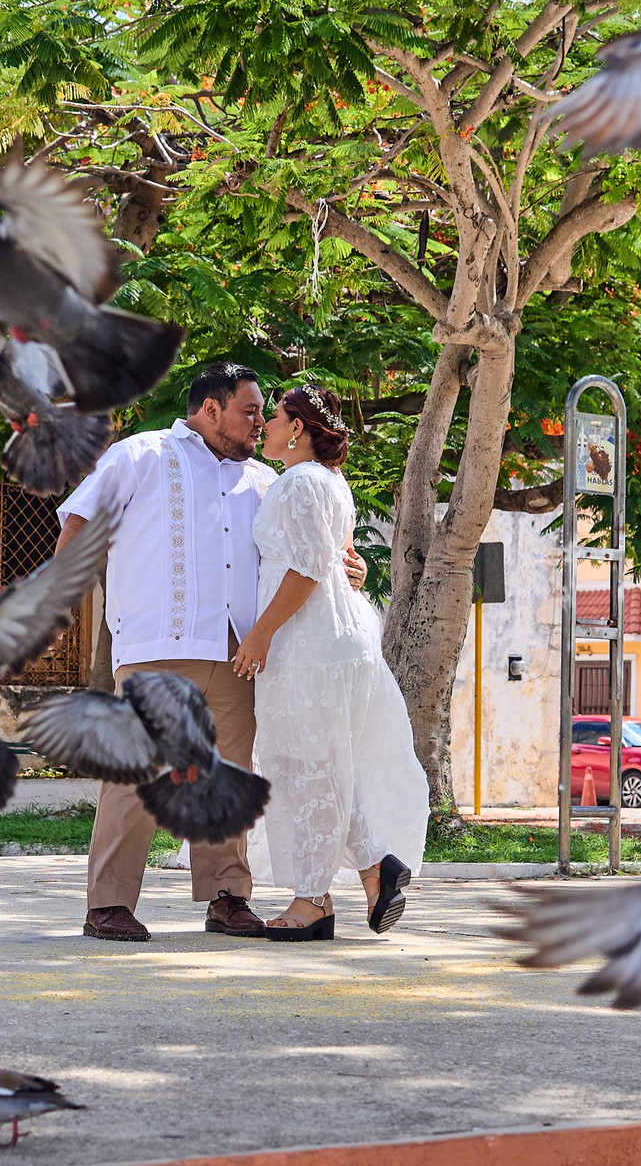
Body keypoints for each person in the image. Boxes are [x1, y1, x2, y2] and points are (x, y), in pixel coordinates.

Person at [53, 362, 366, 942]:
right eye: (249, 411)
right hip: (156, 643)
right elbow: (78, 521)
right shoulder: (140, 455)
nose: (258, 424)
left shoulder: (266, 482)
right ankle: (109, 904)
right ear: (210, 408)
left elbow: (308, 551)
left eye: (261, 414)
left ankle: (227, 897)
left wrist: (353, 564)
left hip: (239, 650)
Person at [231, 385, 426, 940]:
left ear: (296, 428)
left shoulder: (300, 482)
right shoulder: (327, 482)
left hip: (307, 645)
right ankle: (374, 869)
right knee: (322, 765)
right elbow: (332, 560)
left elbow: (309, 568)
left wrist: (260, 634)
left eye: (272, 417)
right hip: (329, 639)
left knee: (303, 769)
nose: (264, 426)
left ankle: (313, 899)